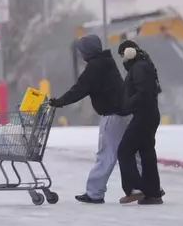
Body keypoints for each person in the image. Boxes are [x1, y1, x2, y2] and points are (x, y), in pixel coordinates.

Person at [49, 34, 131, 204]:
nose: (80, 54)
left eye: (82, 51)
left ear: (88, 51)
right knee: (131, 152)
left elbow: (79, 89)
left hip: (113, 116)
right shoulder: (107, 62)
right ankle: (141, 187)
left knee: (106, 155)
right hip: (125, 114)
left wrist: (59, 102)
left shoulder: (95, 67)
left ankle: (95, 193)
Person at [117, 40, 164, 205]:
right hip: (150, 114)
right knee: (146, 152)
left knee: (124, 150)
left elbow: (142, 93)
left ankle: (135, 188)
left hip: (143, 115)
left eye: (122, 56)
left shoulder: (138, 68)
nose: (122, 60)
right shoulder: (145, 65)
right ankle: (153, 192)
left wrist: (127, 106)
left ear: (129, 53)